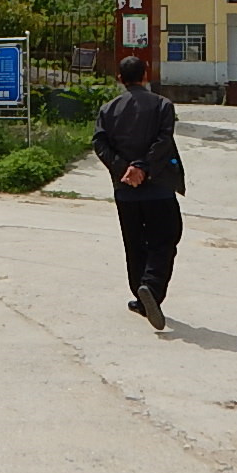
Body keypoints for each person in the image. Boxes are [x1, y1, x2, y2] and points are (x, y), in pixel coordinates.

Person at [91, 55, 184, 331]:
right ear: (146, 74)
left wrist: (125, 169)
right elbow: (163, 140)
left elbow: (100, 143)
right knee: (165, 239)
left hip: (125, 190)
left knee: (135, 243)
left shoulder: (108, 109)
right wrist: (142, 167)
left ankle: (141, 297)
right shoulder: (163, 105)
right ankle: (151, 289)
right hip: (159, 188)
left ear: (120, 78)